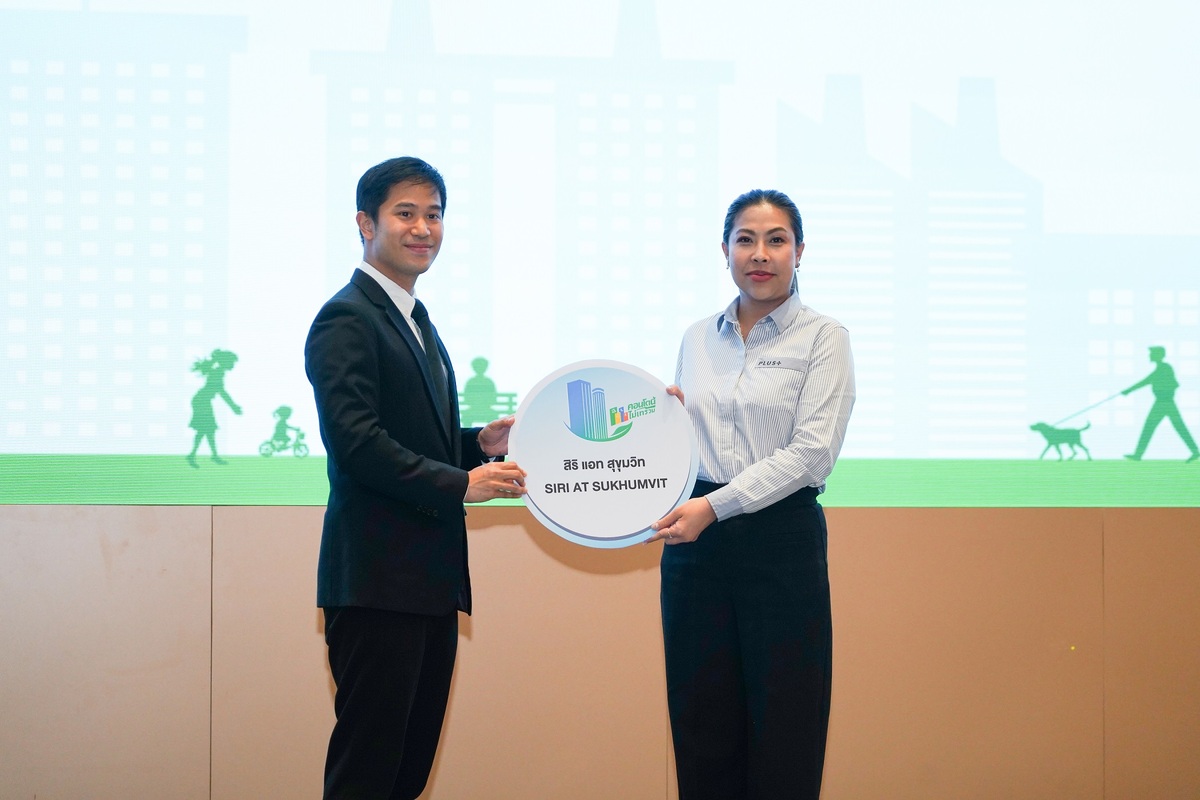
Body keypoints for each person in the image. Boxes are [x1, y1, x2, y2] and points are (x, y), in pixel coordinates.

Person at [305, 156, 528, 800]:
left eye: (434, 214)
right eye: (405, 213)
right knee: (369, 771)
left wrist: (476, 445)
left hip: (426, 584)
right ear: (365, 223)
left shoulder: (414, 318)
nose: (423, 228)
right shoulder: (348, 317)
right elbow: (357, 443)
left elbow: (409, 435)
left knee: (405, 774)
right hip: (378, 584)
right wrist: (461, 485)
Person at [649, 189, 856, 799]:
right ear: (725, 250)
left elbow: (813, 452)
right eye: (745, 240)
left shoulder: (824, 337)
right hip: (695, 548)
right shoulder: (697, 339)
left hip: (778, 540)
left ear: (799, 251)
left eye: (776, 240)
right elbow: (686, 443)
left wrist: (715, 507)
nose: (759, 254)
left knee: (785, 725)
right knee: (700, 722)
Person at [1122, 345, 1200, 462]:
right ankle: (1195, 451)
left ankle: (1138, 455)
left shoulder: (1164, 368)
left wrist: (1129, 390)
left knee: (1151, 427)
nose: (1150, 355)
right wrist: (1128, 390)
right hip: (1164, 402)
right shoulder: (1161, 368)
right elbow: (1148, 381)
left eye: (1152, 353)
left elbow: (1148, 381)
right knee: (1176, 427)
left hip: (1164, 403)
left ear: (1158, 355)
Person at [186, 348, 241, 467]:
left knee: (208, 430)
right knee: (205, 430)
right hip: (201, 402)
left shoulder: (218, 372)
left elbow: (221, 392)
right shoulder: (218, 373)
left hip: (202, 401)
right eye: (232, 362)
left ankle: (207, 455)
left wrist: (233, 406)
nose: (233, 365)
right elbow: (222, 392)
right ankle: (202, 455)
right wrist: (234, 407)